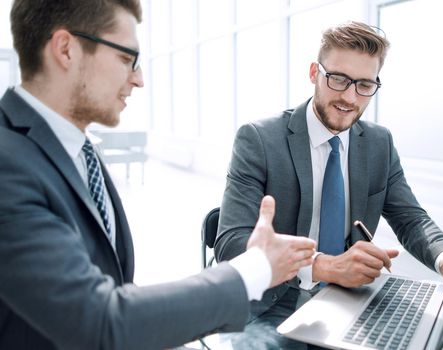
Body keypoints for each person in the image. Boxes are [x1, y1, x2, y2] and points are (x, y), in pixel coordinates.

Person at [0, 1, 316, 349]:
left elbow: (110, 290)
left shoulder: (76, 146)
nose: (138, 79)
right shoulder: (7, 162)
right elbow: (99, 320)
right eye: (126, 58)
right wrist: (255, 269)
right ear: (66, 49)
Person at [215, 21, 443, 349]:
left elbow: (411, 218)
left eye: (364, 84)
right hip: (269, 302)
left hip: (347, 298)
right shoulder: (259, 140)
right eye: (338, 79)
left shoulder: (379, 143)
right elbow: (230, 243)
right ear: (314, 73)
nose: (350, 97)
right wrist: (324, 266)